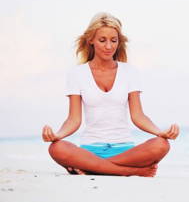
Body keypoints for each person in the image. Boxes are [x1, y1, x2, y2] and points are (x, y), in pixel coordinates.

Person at [42, 12, 179, 177]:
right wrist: (57, 135)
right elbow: (74, 119)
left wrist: (159, 132)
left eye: (113, 40)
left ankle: (94, 169)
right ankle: (132, 172)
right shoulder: (77, 74)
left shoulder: (130, 72)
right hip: (90, 151)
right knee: (57, 148)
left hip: (125, 151)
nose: (109, 46)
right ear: (90, 40)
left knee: (161, 145)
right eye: (102, 40)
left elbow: (138, 116)